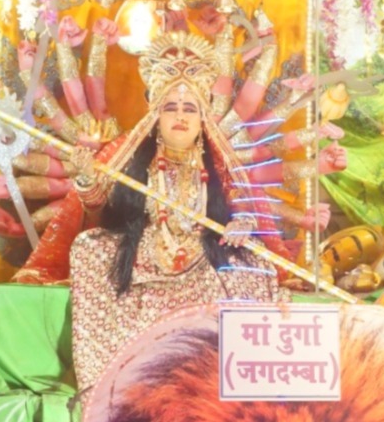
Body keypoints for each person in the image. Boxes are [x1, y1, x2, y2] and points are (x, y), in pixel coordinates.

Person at [62, 30, 289, 394]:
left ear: (203, 118)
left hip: (203, 258)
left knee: (255, 262)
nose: (180, 116)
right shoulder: (133, 158)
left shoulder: (218, 164)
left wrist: (242, 223)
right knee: (89, 247)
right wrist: (87, 181)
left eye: (189, 109)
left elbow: (243, 206)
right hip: (146, 256)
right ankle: (102, 381)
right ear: (156, 115)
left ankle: (235, 375)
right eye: (171, 108)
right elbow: (102, 211)